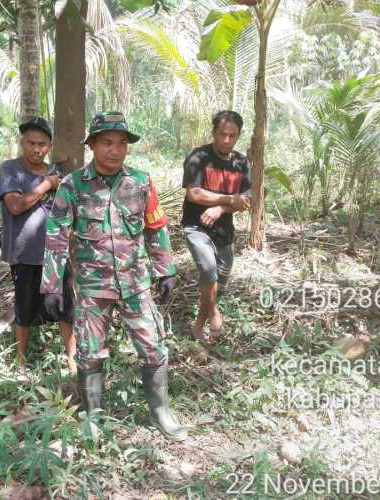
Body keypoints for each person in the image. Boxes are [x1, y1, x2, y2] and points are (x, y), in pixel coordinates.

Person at [40, 111, 187, 441]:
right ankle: (93, 416)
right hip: (93, 287)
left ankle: (161, 411)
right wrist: (51, 285)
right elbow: (56, 235)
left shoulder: (141, 182)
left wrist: (166, 269)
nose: (115, 150)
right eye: (107, 142)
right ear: (92, 144)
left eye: (121, 143)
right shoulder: (72, 186)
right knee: (90, 352)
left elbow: (155, 227)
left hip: (136, 284)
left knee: (153, 346)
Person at [0, 117, 76, 374]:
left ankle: (72, 360)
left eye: (42, 144)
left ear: (49, 146)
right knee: (24, 306)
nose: (36, 149)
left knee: (64, 307)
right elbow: (15, 205)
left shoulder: (56, 174)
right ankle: (20, 361)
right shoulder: (10, 170)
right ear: (22, 143)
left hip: (55, 253)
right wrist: (46, 185)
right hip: (24, 253)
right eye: (31, 143)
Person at [181, 110, 251, 344]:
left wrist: (220, 209)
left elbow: (246, 200)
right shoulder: (198, 157)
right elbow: (194, 193)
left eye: (233, 136)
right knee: (208, 269)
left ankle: (199, 325)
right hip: (196, 227)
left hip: (224, 232)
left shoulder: (241, 163)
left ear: (238, 136)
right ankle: (214, 314)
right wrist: (228, 199)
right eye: (222, 134)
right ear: (214, 133)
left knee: (219, 283)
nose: (227, 140)